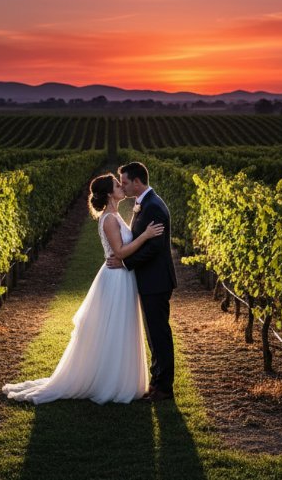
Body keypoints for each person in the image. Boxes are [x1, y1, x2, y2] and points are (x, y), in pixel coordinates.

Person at [1, 173, 164, 404]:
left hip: (122, 276)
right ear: (109, 193)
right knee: (115, 328)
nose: (122, 188)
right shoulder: (109, 219)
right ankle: (111, 382)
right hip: (116, 278)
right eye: (118, 185)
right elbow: (119, 252)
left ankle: (119, 379)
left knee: (120, 328)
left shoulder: (115, 214)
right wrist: (146, 236)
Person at [106, 161, 178, 402]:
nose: (123, 187)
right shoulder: (144, 204)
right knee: (154, 335)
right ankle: (157, 383)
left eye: (125, 182)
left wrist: (126, 263)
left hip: (156, 281)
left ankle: (164, 388)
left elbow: (154, 248)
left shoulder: (153, 207)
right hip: (151, 280)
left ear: (137, 182)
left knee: (159, 335)